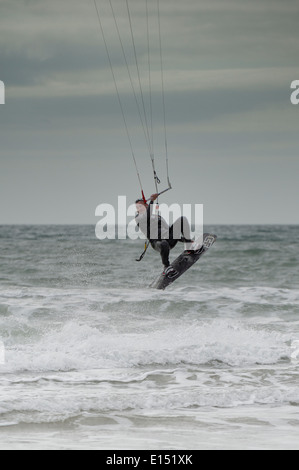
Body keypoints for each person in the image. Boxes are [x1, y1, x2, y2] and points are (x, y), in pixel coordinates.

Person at [135, 194, 194, 270]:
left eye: (141, 205)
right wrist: (152, 200)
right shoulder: (138, 218)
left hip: (169, 240)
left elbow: (170, 233)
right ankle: (166, 266)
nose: (139, 208)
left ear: (146, 205)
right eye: (138, 207)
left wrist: (185, 240)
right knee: (164, 243)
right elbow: (147, 216)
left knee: (182, 219)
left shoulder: (158, 216)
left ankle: (189, 247)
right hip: (157, 243)